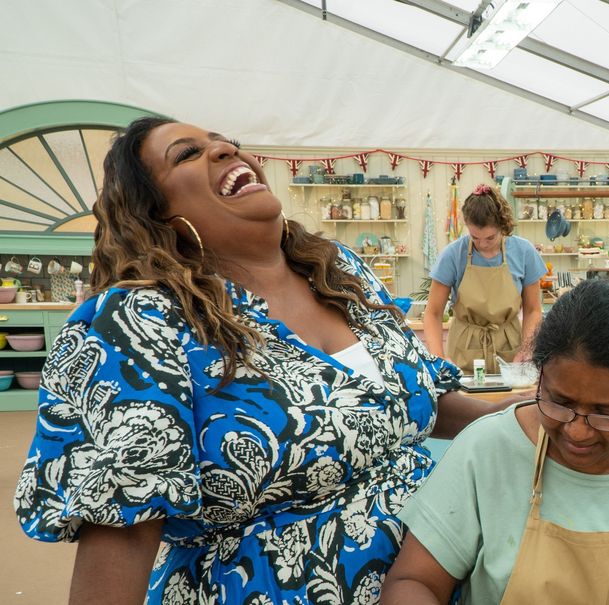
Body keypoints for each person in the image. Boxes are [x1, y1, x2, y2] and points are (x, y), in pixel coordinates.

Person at [12, 117, 500, 604]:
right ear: (152, 212)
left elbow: (420, 402)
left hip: (436, 577)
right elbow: (127, 523)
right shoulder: (141, 320)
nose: (225, 149)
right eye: (186, 154)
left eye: (227, 143)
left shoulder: (339, 271)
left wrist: (527, 409)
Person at [382, 279, 609, 604]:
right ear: (540, 378)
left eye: (606, 412)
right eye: (560, 403)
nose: (578, 431)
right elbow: (414, 581)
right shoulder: (486, 451)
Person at [423, 184, 546, 373]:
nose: (482, 244)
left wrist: (527, 349)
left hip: (510, 351)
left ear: (502, 226)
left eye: (490, 238)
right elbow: (432, 313)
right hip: (464, 350)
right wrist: (438, 357)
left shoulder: (524, 252)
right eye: (475, 237)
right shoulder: (453, 255)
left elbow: (533, 310)